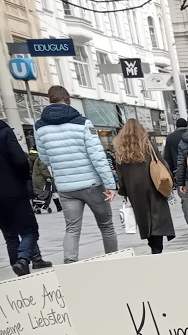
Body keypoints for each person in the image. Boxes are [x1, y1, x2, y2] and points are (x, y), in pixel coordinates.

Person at [32, 86, 118, 264]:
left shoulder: (39, 127)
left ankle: (70, 262)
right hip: (92, 185)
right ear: (68, 99)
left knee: (72, 228)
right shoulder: (83, 123)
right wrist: (110, 184)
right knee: (106, 226)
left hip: (66, 187)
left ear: (50, 100)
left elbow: (45, 158)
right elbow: (98, 157)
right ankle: (113, 260)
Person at [0, 102, 49, 276]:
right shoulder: (3, 130)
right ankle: (23, 260)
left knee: (9, 234)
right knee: (29, 230)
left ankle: (19, 268)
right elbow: (20, 160)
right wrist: (24, 179)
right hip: (13, 190)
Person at [112, 119, 175, 255]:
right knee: (157, 217)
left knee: (144, 219)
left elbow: (120, 174)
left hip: (134, 190)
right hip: (153, 186)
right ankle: (157, 247)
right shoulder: (149, 146)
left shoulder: (121, 151)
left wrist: (124, 191)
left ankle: (152, 243)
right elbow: (162, 163)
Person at [162, 118, 188, 234]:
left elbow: (167, 158)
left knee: (186, 200)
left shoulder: (170, 138)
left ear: (176, 126)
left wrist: (171, 174)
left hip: (180, 173)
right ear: (186, 125)